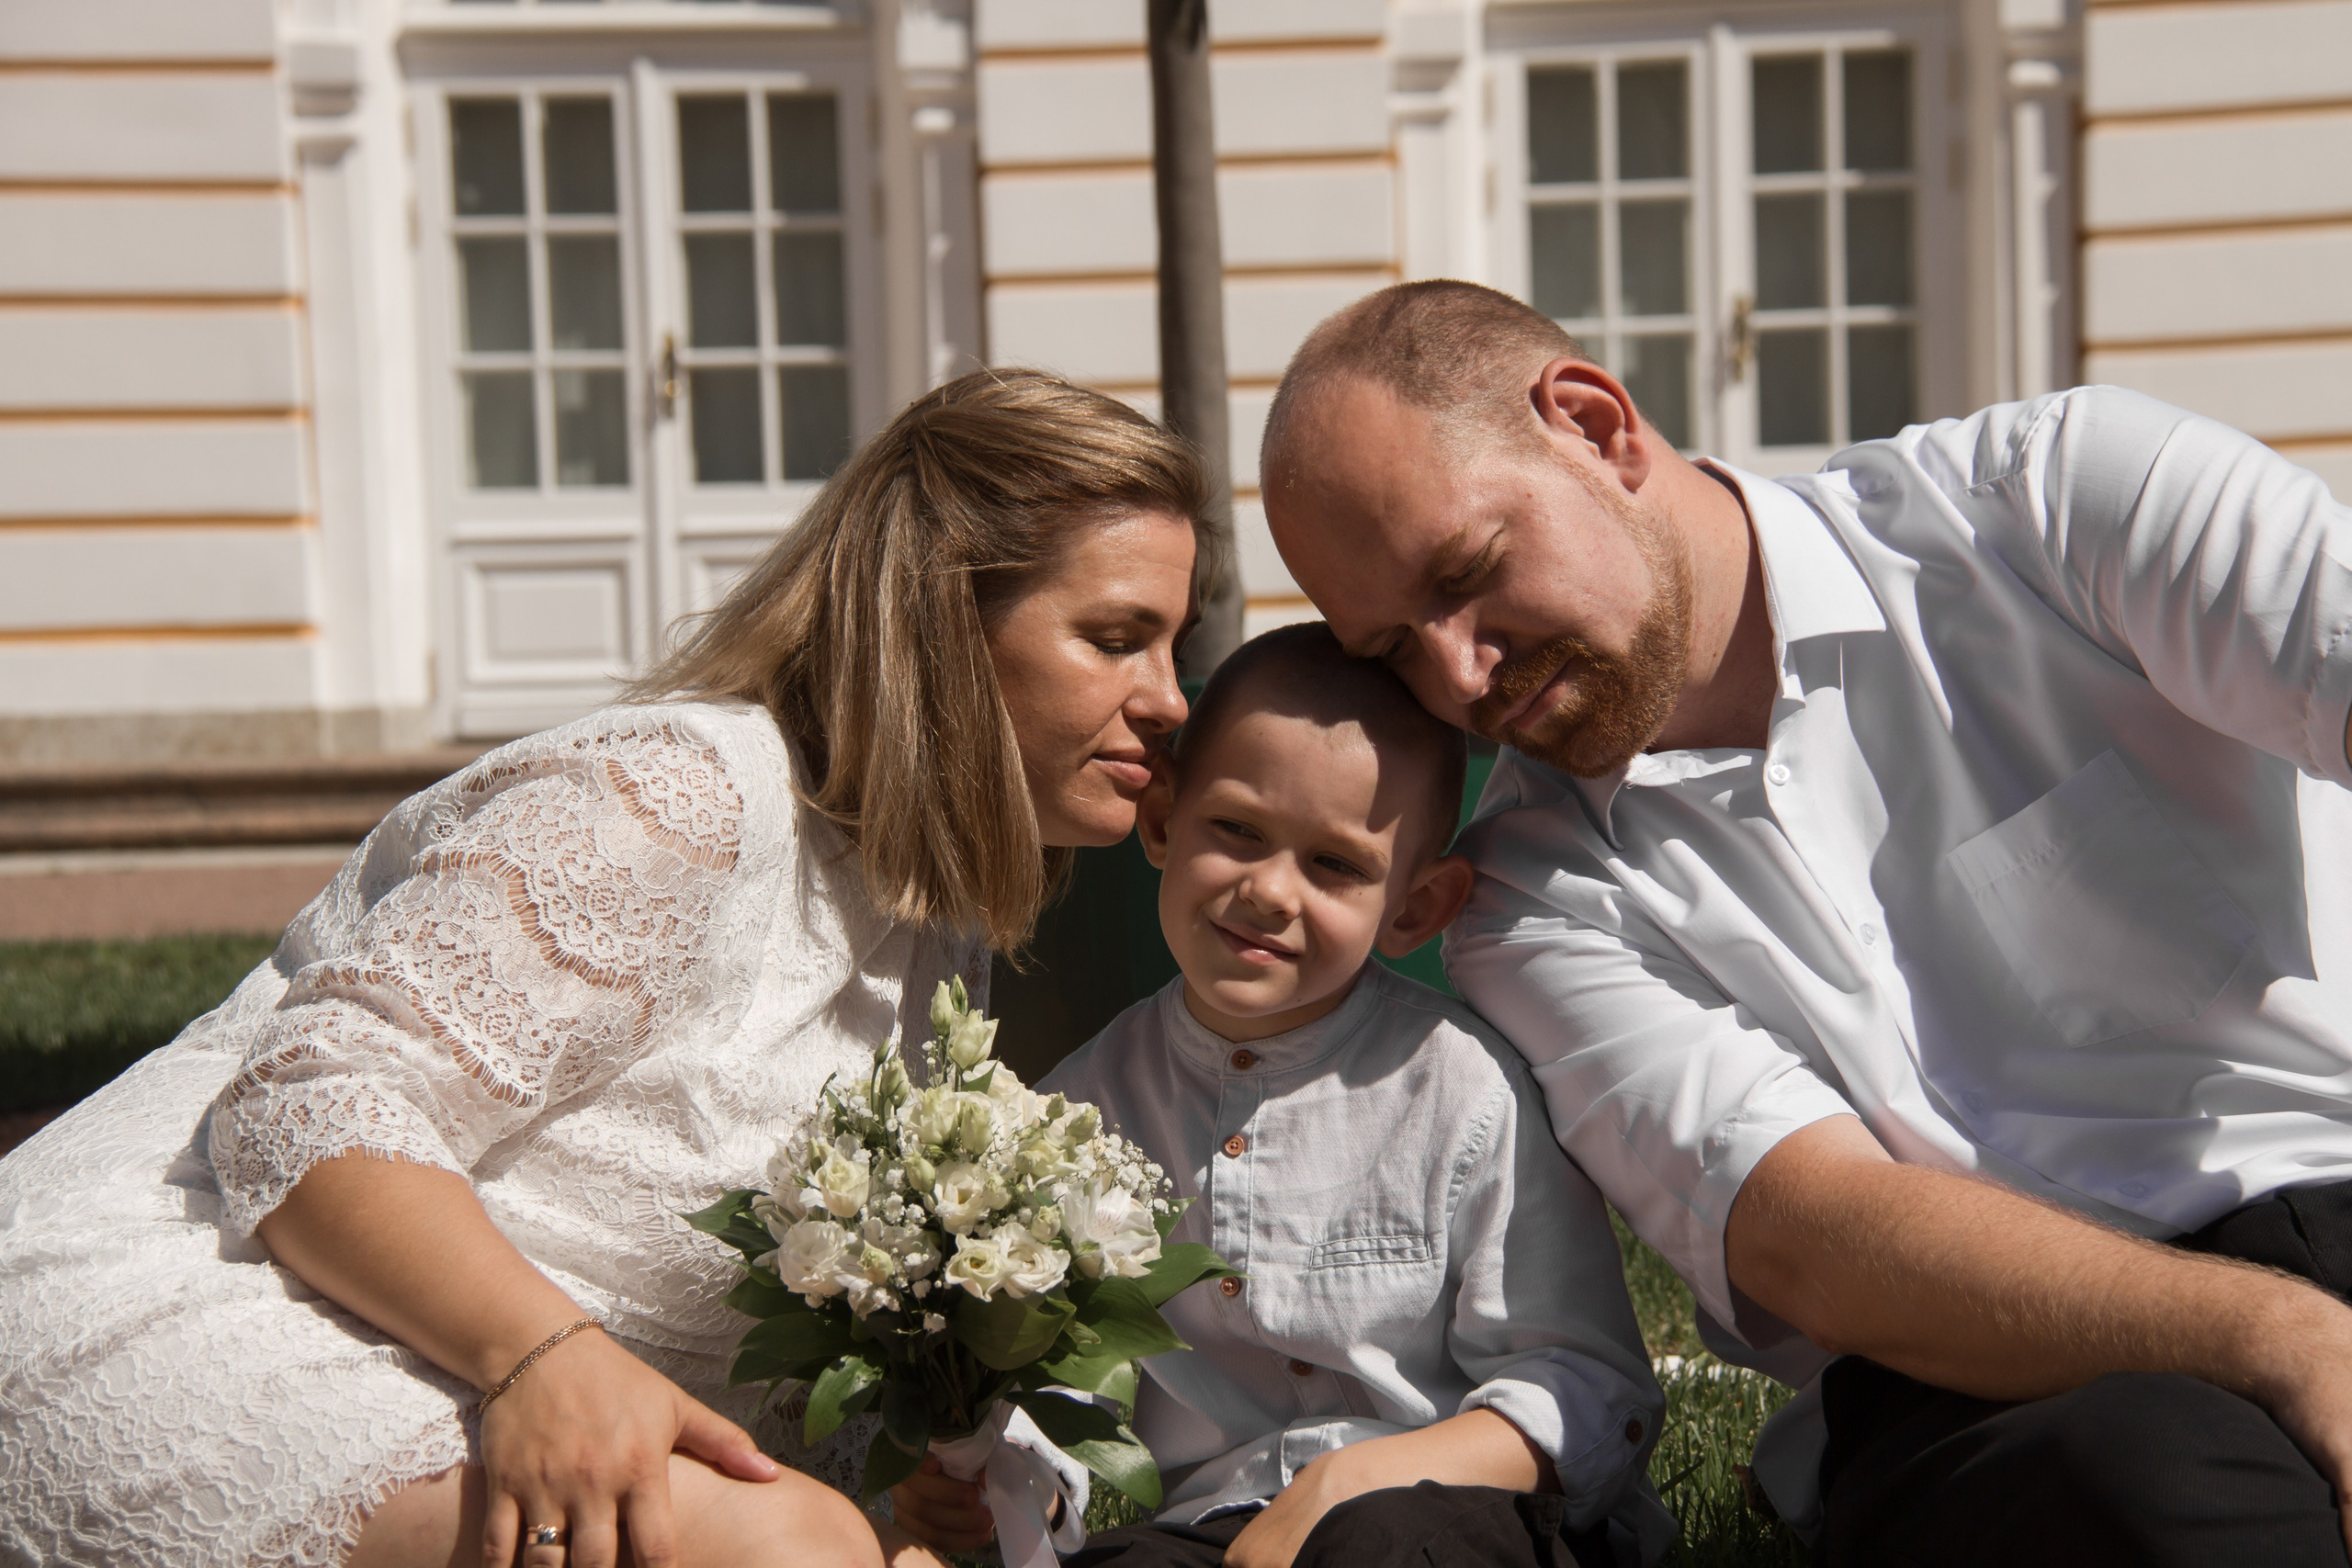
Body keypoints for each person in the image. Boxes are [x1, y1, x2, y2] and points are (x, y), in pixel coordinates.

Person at [0, 369, 1216, 1568]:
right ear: (940, 625)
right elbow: (310, 1098)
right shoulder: (680, 794)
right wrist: (542, 1355)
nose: (1167, 699)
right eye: (1116, 638)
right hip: (198, 1304)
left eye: (1172, 645)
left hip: (466, 1364)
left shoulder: (932, 933)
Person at [1256, 279, 2352, 1566]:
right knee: (2152, 1494)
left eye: (1470, 573)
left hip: (2325, 1191)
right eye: (1393, 648)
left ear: (1597, 425)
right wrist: (2289, 1339)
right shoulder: (1528, 896)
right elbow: (1817, 1237)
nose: (1458, 675)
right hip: (1994, 1375)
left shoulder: (2048, 501)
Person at [891, 623, 1675, 1568]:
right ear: (1162, 821)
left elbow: (1584, 1385)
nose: (1268, 891)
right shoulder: (1074, 1117)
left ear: (1415, 908)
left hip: (1428, 1508)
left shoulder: (1464, 1090)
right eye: (1237, 831)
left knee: (1382, 1550)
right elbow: (1073, 1409)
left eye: (1334, 865)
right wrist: (991, 1484)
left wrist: (1349, 1481)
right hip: (1201, 1525)